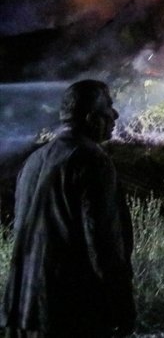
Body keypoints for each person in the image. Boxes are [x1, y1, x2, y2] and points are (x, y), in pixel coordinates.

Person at [0, 79, 135, 338]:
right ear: (91, 117)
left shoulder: (33, 161)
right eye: (109, 107)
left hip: (21, 311)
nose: (115, 114)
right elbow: (103, 241)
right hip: (69, 314)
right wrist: (122, 304)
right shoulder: (91, 160)